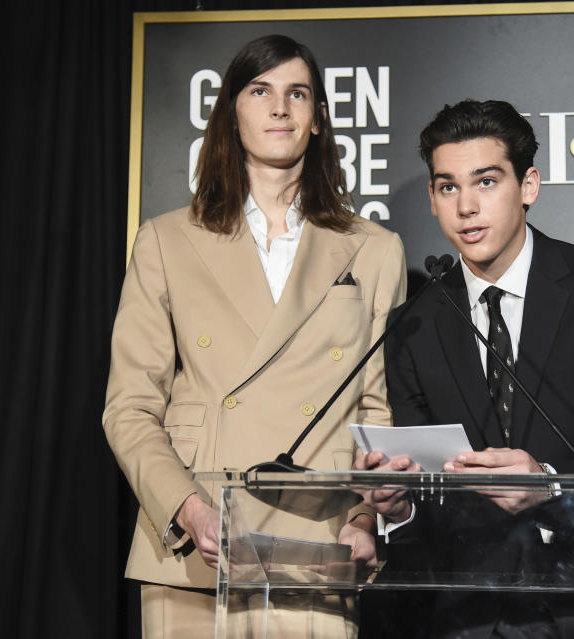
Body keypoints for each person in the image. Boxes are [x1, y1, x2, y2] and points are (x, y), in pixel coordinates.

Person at [103, 34, 406, 638]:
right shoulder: (166, 241)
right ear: (231, 113)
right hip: (199, 545)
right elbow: (130, 408)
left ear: (318, 118)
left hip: (317, 545)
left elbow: (376, 413)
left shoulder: (374, 250)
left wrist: (367, 519)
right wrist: (188, 508)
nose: (279, 108)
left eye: (298, 94)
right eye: (260, 90)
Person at [357, 99, 574, 637]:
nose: (465, 206)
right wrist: (397, 510)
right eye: (447, 187)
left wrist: (552, 487)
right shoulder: (414, 323)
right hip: (462, 617)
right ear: (433, 200)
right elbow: (426, 501)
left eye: (486, 182)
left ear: (528, 185)